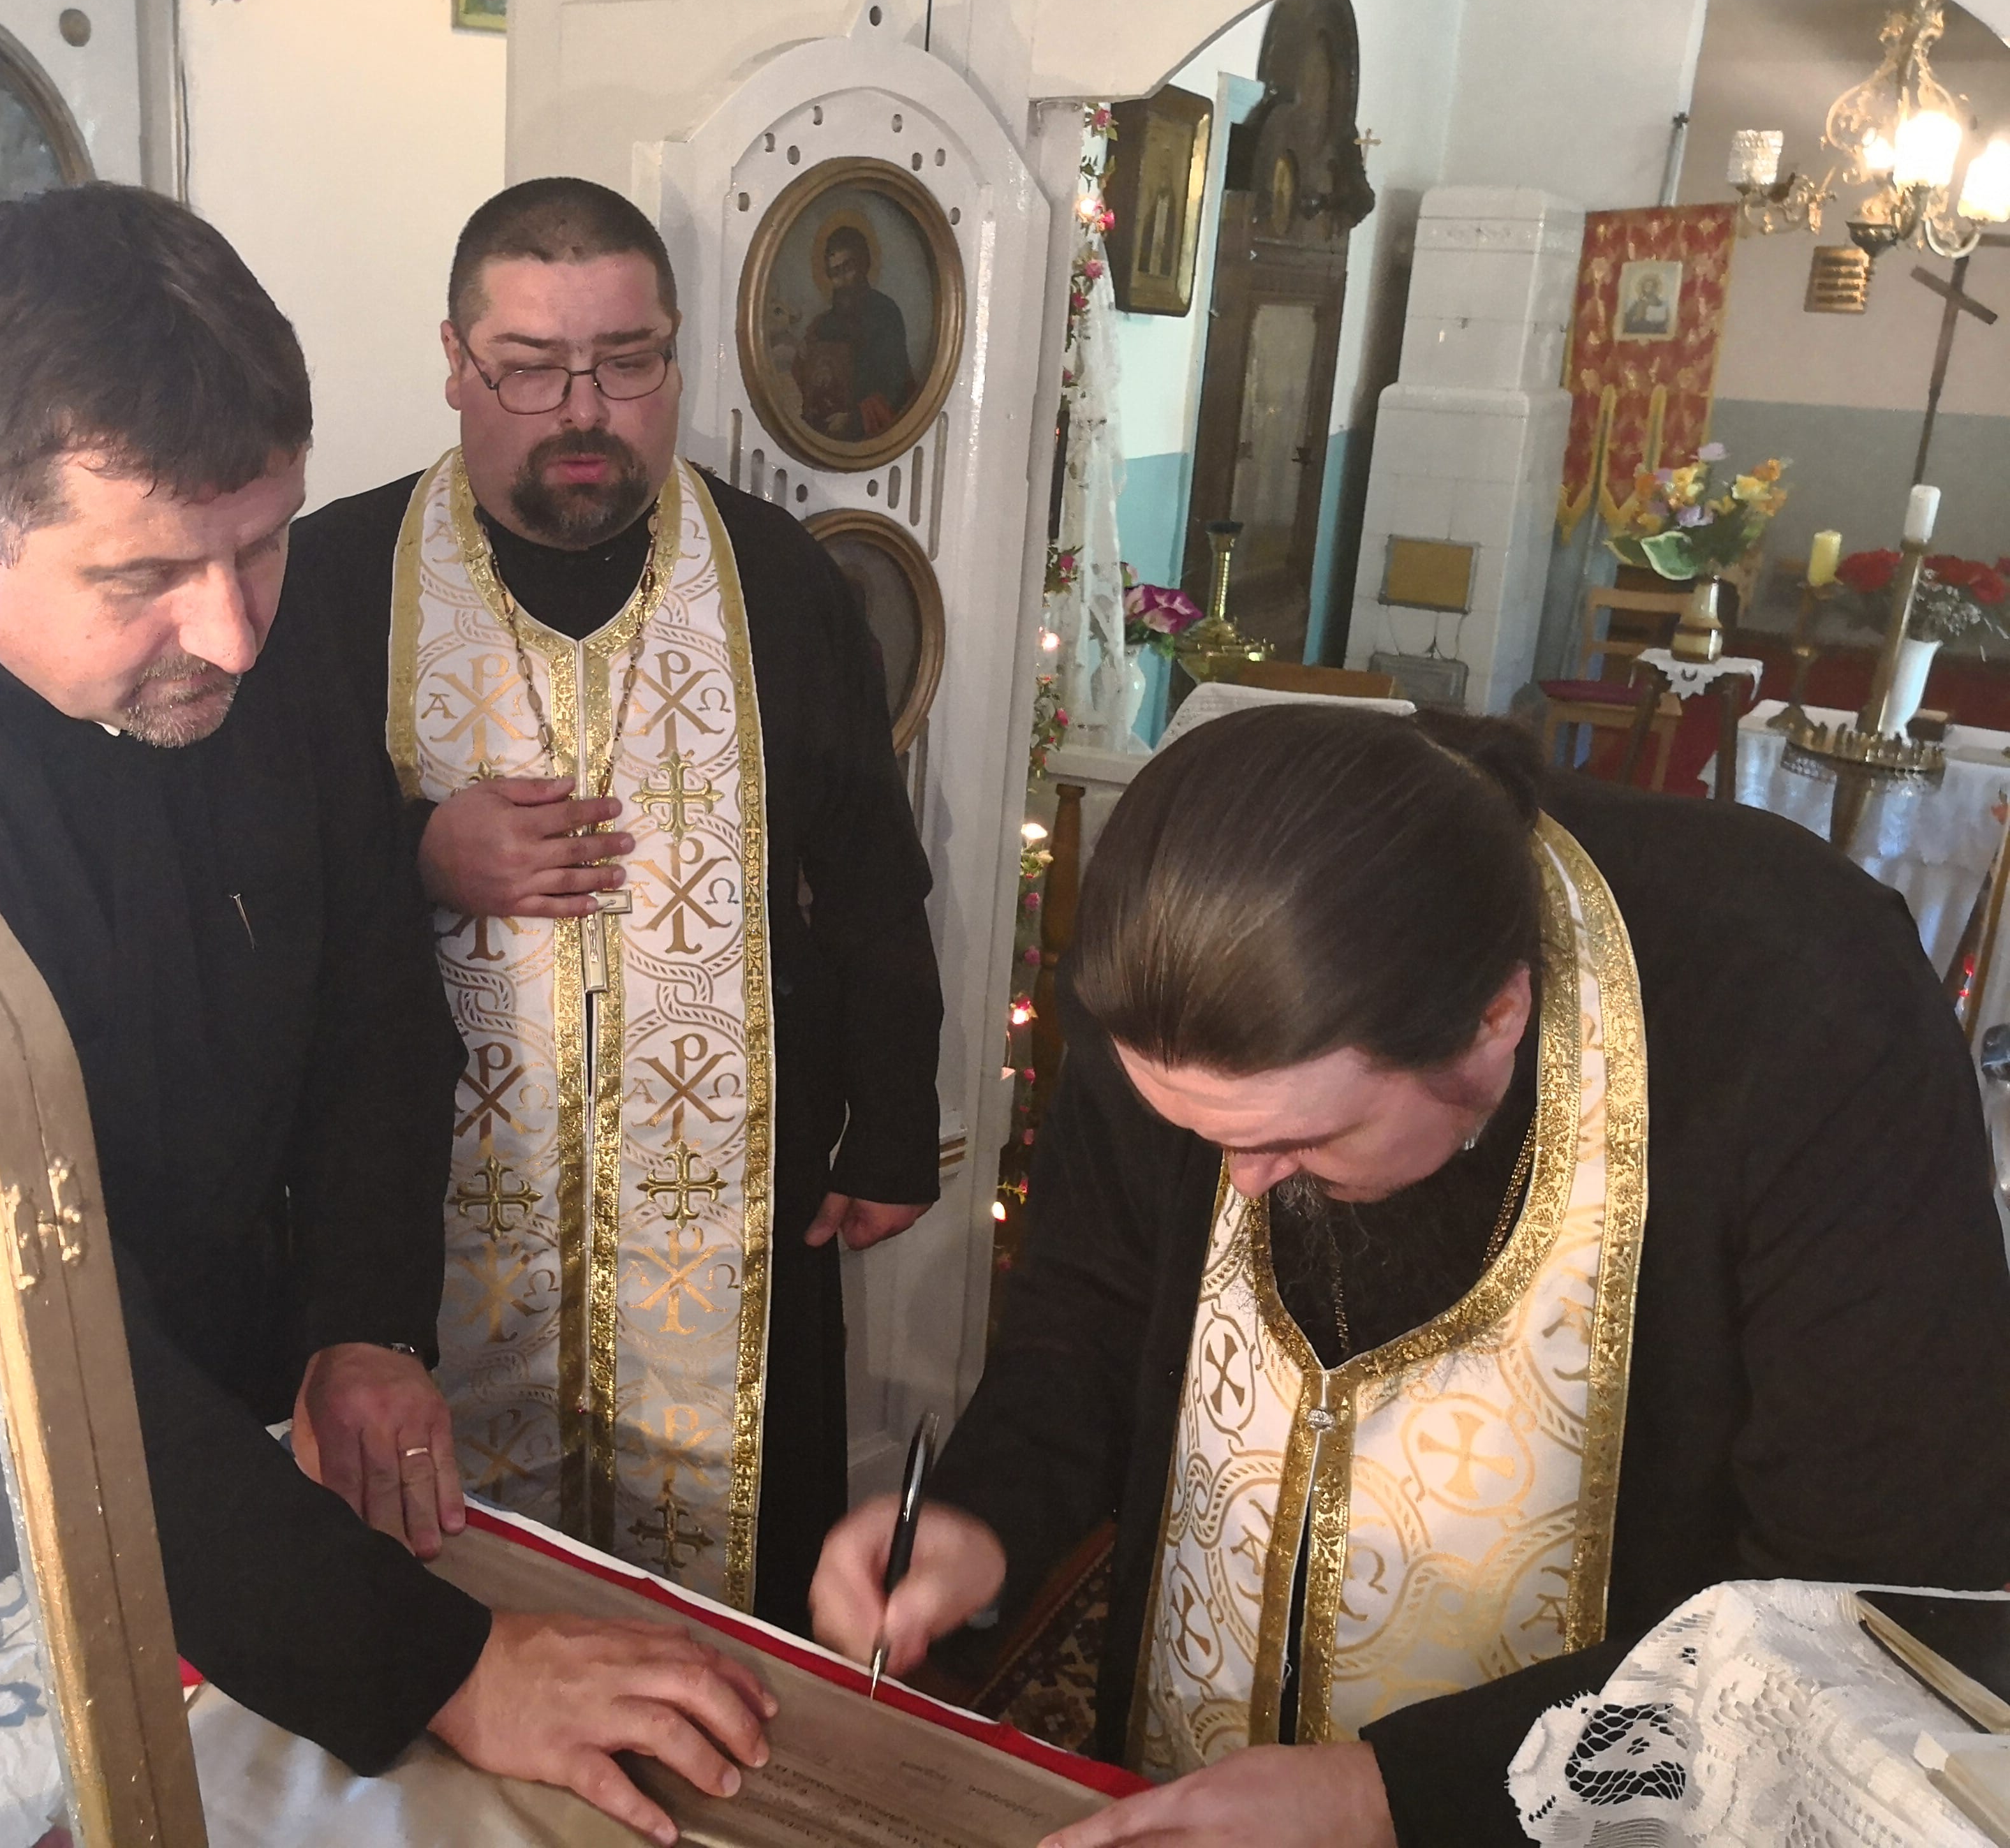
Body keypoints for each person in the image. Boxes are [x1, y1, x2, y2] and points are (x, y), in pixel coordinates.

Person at [0, 181, 772, 1848]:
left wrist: (363, 1323)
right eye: (147, 575)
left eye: (262, 542)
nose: (234, 632)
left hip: (237, 1457)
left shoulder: (264, 617)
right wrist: (437, 1666)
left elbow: (370, 989)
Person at [809, 704, 2010, 1846]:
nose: (1238, 1188)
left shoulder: (1807, 1018)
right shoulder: (1182, 941)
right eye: (1198, 1134)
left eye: (1300, 1141)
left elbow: (1861, 1617)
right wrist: (981, 1516)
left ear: (1493, 1022)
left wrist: (1402, 1797)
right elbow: (1093, 1306)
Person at [293, 177, 943, 1633]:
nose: (582, 411)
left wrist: (895, 1118)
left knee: (735, 1620)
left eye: (626, 362)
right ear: (456, 362)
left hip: (730, 1213)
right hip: (419, 1216)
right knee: (442, 1622)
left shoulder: (781, 581)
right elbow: (256, 879)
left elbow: (869, 872)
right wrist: (417, 851)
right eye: (529, 368)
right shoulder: (334, 583)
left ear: (674, 353)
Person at [801, 224, 915, 440]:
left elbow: (895, 383)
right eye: (835, 273)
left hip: (872, 428)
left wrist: (854, 419)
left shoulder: (885, 312)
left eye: (848, 267)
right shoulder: (821, 325)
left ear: (864, 264)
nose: (843, 280)